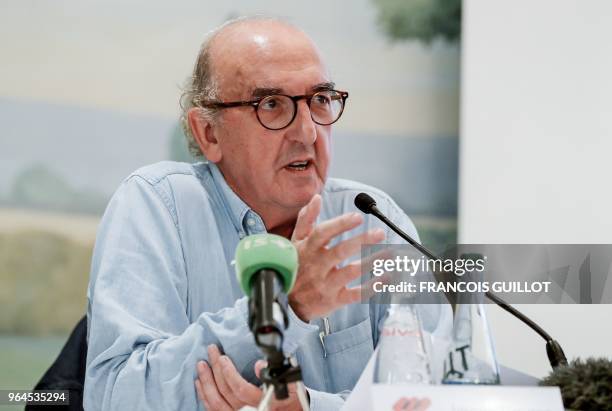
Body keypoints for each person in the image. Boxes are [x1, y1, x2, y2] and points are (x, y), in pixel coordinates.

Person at [84, 16, 450, 411]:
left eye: (320, 100)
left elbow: (436, 394)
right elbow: (115, 397)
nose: (308, 132)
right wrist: (285, 308)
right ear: (209, 133)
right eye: (272, 105)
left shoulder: (373, 219)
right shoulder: (158, 208)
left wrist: (308, 406)